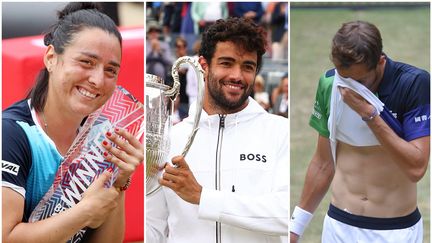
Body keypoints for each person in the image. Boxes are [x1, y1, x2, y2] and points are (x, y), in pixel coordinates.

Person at [2, 3, 143, 242]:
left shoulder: (102, 137)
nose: (98, 80)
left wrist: (118, 182)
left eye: (111, 70)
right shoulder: (12, 134)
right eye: (86, 62)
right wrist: (85, 212)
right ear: (51, 58)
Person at [146, 17, 289, 243]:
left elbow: (286, 214)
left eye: (247, 67)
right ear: (204, 65)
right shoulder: (170, 139)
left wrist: (204, 198)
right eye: (226, 63)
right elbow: (153, 226)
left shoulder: (280, 132)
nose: (237, 76)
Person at [290, 20, 430, 243]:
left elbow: (416, 167)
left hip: (395, 231)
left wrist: (370, 115)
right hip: (339, 227)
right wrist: (295, 227)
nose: (350, 87)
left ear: (380, 61)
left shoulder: (413, 84)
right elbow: (323, 163)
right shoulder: (329, 84)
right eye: (344, 78)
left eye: (360, 80)